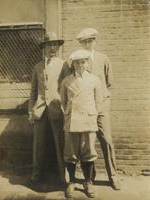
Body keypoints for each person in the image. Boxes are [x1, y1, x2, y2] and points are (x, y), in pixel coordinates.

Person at [58, 28, 120, 190]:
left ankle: (113, 176)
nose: (88, 43)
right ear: (80, 43)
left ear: (95, 41)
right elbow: (64, 90)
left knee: (106, 139)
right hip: (78, 109)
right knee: (82, 145)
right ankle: (87, 179)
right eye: (84, 41)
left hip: (99, 106)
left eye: (90, 40)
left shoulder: (103, 58)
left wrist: (99, 104)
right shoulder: (70, 63)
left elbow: (108, 83)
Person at [60, 49, 103, 198]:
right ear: (72, 64)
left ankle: (88, 182)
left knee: (89, 152)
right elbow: (63, 102)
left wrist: (91, 114)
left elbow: (98, 101)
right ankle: (71, 182)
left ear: (87, 63)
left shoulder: (94, 80)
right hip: (72, 121)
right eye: (77, 62)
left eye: (83, 62)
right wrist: (68, 115)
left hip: (88, 120)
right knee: (70, 153)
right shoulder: (66, 81)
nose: (80, 65)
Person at [28, 32, 66, 185]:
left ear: (58, 47)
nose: (52, 47)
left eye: (55, 44)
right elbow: (33, 90)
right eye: (49, 45)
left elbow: (67, 87)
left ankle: (64, 176)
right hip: (39, 110)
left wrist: (65, 108)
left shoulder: (64, 65)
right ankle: (37, 174)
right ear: (44, 47)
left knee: (60, 143)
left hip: (56, 109)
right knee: (38, 144)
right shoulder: (38, 67)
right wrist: (31, 111)